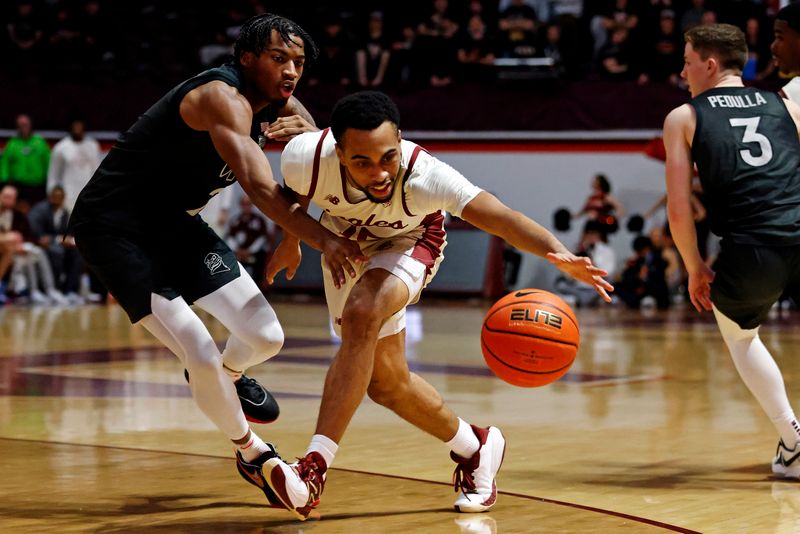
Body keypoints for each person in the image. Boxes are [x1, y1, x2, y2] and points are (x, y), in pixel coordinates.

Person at [260, 91, 614, 520]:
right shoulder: (304, 156)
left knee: (361, 314)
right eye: (362, 163)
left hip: (410, 243)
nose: (379, 174)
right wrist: (292, 241)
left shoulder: (427, 176)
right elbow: (291, 196)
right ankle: (476, 446)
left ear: (401, 141)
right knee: (386, 384)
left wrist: (559, 253)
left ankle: (312, 471)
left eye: (388, 157)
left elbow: (500, 217)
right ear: (339, 152)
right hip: (343, 243)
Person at [67, 14, 366, 503]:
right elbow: (259, 187)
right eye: (279, 59)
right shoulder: (219, 98)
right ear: (246, 58)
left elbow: (308, 169)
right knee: (198, 348)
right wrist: (323, 240)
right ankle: (254, 456)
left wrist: (292, 238)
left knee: (266, 336)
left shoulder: (287, 104)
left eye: (299, 61)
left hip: (175, 224)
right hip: (113, 226)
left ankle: (225, 379)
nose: (291, 70)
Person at [663, 23, 800, 480]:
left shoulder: (683, 117)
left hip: (754, 245)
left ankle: (794, 442)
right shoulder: (784, 103)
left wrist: (695, 267)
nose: (682, 72)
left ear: (709, 64)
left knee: (741, 336)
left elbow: (680, 211)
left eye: (686, 62)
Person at [47, 118, 102, 214]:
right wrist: (51, 193)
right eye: (75, 126)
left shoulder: (93, 146)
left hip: (89, 194)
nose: (77, 129)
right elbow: (53, 175)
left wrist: (99, 192)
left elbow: (98, 172)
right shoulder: (61, 147)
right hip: (68, 195)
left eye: (79, 126)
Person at [0, 114, 51, 211]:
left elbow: (49, 163)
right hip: (18, 188)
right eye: (20, 125)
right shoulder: (12, 144)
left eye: (25, 125)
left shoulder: (40, 142)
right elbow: (4, 165)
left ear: (30, 125)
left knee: (37, 212)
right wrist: (5, 184)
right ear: (17, 127)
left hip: (38, 188)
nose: (23, 128)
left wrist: (49, 182)